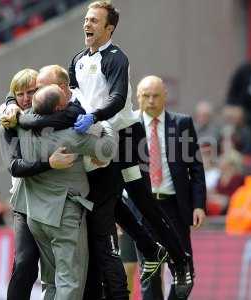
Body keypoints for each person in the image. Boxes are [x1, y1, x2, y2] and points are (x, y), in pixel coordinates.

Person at [69, 2, 197, 298]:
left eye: (94, 21)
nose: (87, 25)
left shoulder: (117, 58)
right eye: (86, 19)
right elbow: (76, 97)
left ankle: (180, 260)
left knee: (142, 202)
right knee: (112, 200)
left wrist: (93, 116)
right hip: (100, 137)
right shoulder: (76, 59)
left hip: (126, 136)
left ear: (109, 28)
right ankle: (152, 249)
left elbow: (116, 99)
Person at [13, 84, 117, 299]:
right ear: (60, 108)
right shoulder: (70, 136)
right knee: (70, 281)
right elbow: (108, 149)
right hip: (63, 215)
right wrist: (105, 124)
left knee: (50, 282)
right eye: (66, 102)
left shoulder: (22, 127)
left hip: (35, 217)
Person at [0, 68, 82, 300]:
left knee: (57, 270)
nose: (25, 98)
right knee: (25, 263)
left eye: (31, 92)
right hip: (24, 204)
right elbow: (15, 167)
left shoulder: (54, 116)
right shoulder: (8, 126)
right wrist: (50, 163)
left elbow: (72, 111)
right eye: (20, 94)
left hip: (54, 203)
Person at [133, 76, 207, 300]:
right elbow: (119, 172)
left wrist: (199, 205)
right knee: (150, 275)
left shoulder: (182, 124)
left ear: (165, 95)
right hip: (142, 209)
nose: (151, 101)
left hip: (174, 206)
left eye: (156, 95)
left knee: (185, 273)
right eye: (146, 96)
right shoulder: (128, 125)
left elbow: (195, 168)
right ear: (138, 97)